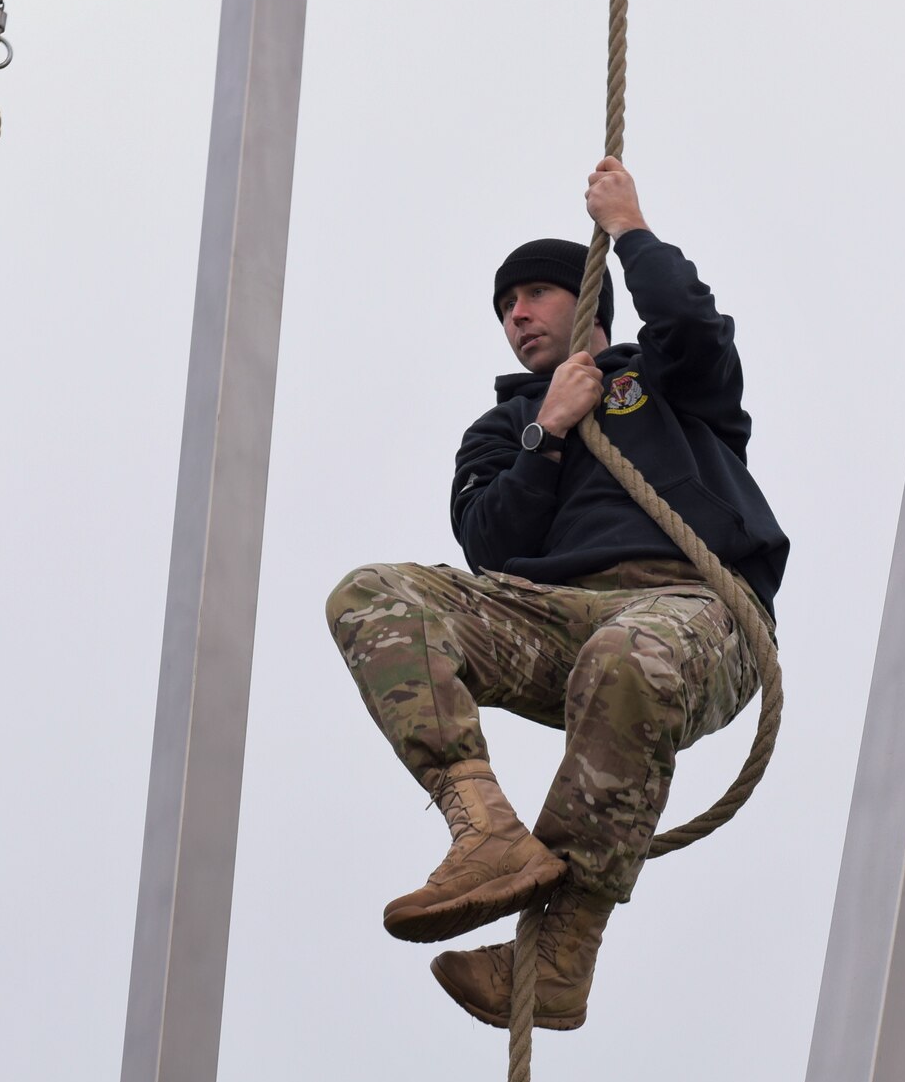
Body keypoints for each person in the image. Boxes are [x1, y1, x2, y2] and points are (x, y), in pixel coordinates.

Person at [325, 156, 788, 1030]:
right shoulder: (503, 427)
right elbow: (491, 543)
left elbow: (693, 324)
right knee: (371, 595)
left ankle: (563, 950)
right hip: (559, 618)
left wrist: (630, 227)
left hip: (695, 608)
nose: (517, 315)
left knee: (628, 658)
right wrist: (547, 432)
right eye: (506, 307)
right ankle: (483, 831)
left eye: (535, 294)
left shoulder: (666, 379)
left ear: (585, 298)